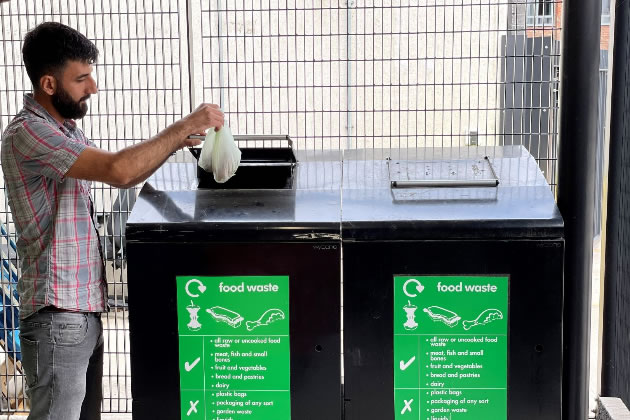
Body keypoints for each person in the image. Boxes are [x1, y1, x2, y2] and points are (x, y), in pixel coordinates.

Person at [0, 22, 223, 420]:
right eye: (81, 78)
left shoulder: (66, 132)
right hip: (58, 315)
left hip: (80, 311)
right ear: (49, 84)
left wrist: (177, 142)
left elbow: (127, 173)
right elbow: (119, 170)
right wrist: (181, 126)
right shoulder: (29, 133)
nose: (93, 87)